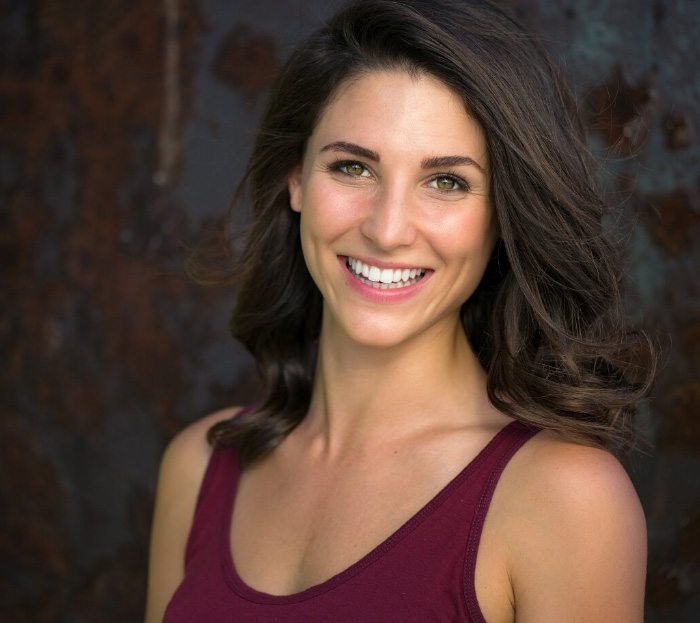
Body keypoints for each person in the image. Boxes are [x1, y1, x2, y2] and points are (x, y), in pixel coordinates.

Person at [145, 1, 655, 621]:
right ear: (296, 178)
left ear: (503, 213)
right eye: (352, 167)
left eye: (446, 182)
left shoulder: (565, 498)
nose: (387, 231)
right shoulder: (199, 466)